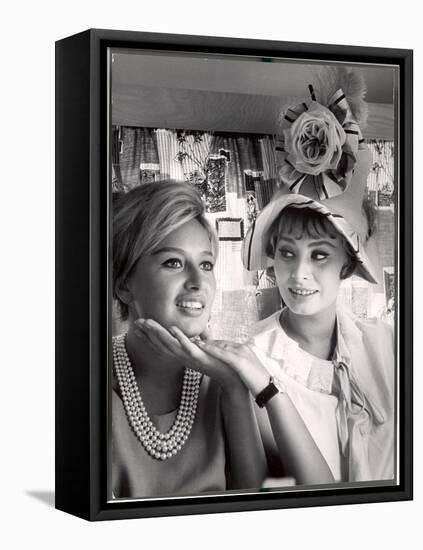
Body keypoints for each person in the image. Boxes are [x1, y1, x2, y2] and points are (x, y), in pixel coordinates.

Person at [140, 70, 395, 485]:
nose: (299, 274)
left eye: (320, 256)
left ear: (347, 266)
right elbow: (308, 495)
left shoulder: (389, 345)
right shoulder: (253, 359)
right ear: (272, 257)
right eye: (287, 253)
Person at [111, 180, 266, 498]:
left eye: (206, 264)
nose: (198, 282)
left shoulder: (229, 376)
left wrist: (232, 387)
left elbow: (252, 503)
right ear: (124, 284)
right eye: (173, 262)